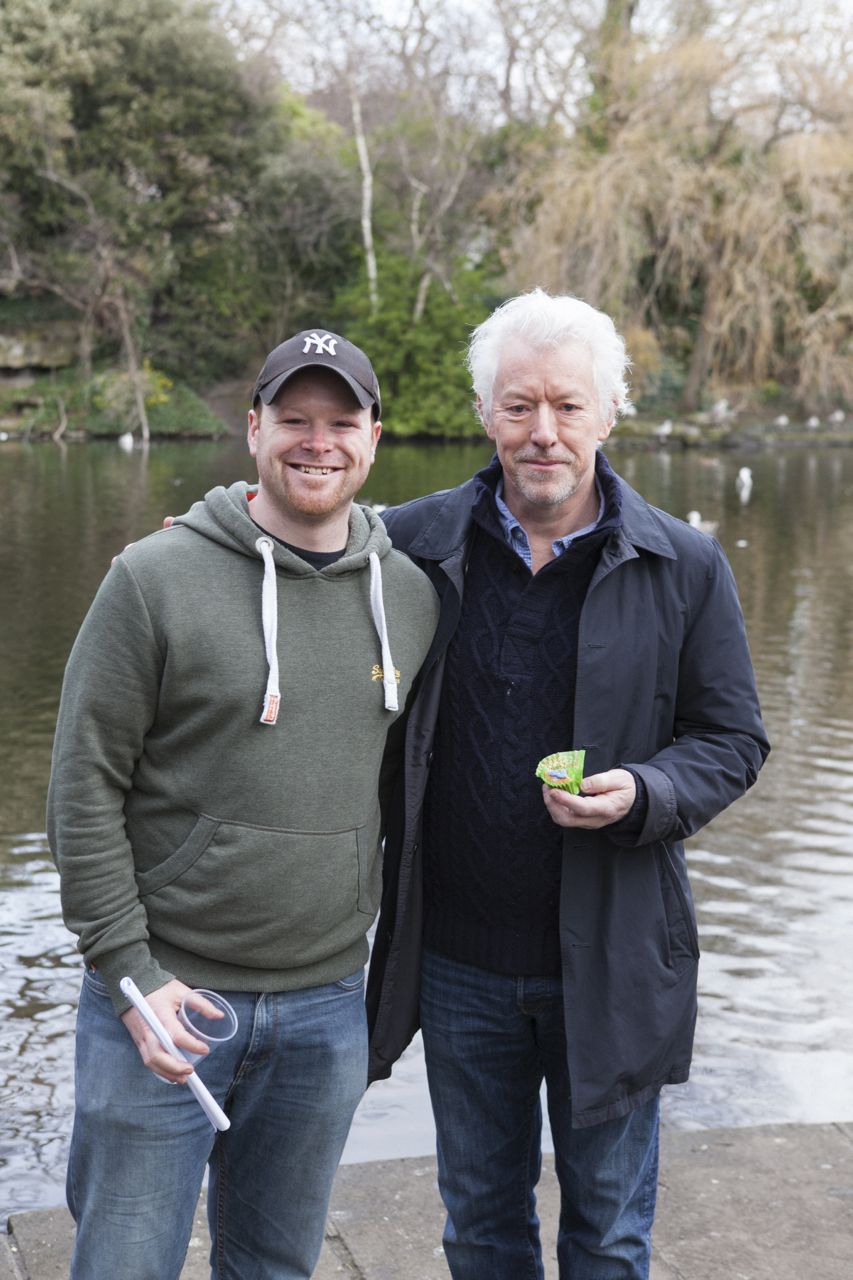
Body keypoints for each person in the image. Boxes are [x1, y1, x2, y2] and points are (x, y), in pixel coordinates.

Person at [366, 289, 770, 1279]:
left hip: (617, 955)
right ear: (485, 412)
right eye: (517, 405)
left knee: (607, 1232)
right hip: (459, 962)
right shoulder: (408, 544)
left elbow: (731, 738)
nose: (541, 432)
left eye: (566, 406)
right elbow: (285, 551)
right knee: (481, 1227)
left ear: (608, 412)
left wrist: (642, 790)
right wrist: (203, 541)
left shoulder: (683, 562)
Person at [47, 329, 439, 1280]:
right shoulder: (152, 579)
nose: (318, 442)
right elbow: (82, 783)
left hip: (325, 1010)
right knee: (123, 1265)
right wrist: (131, 976)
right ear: (254, 428)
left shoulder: (412, 596)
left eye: (340, 421)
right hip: (166, 1001)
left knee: (273, 1266)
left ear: (374, 439)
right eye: (294, 420)